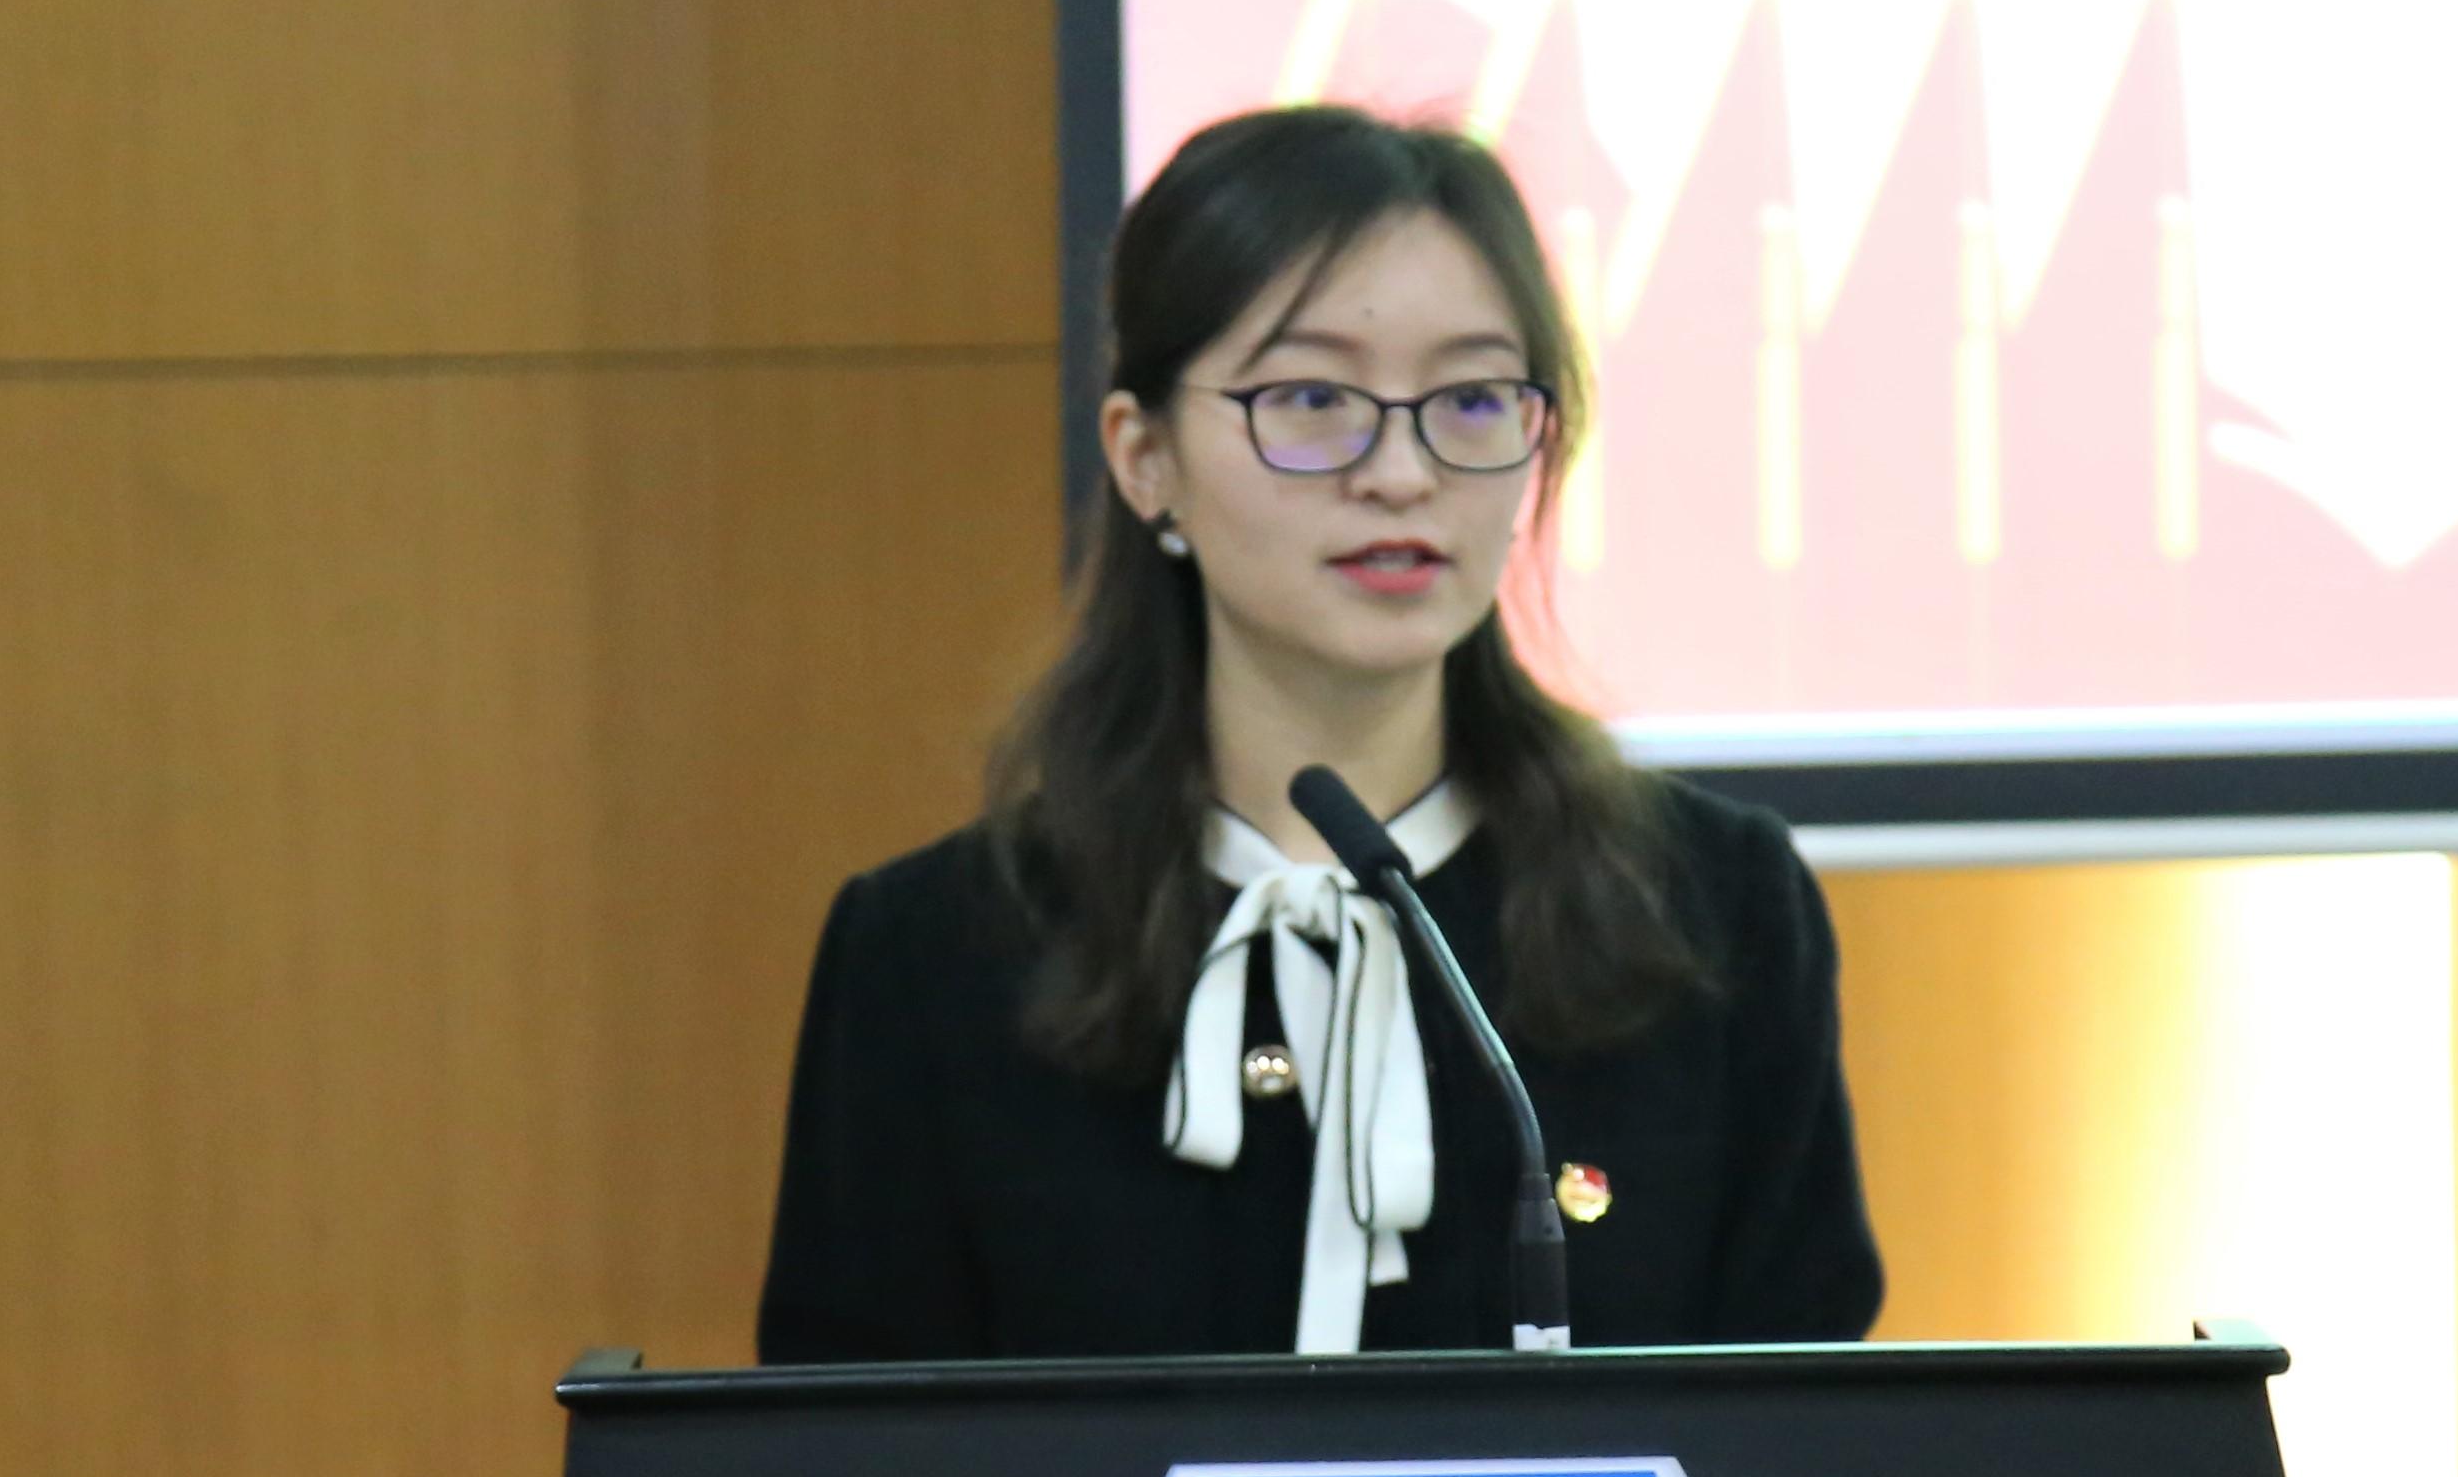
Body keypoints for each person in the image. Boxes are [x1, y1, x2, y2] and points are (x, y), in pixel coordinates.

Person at [756, 105, 1881, 1362]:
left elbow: (1807, 1450)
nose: (1400, 472)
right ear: (1144, 457)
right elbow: (851, 1462)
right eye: (1311, 398)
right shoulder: (934, 958)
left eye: (1471, 399)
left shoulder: (1714, 914)